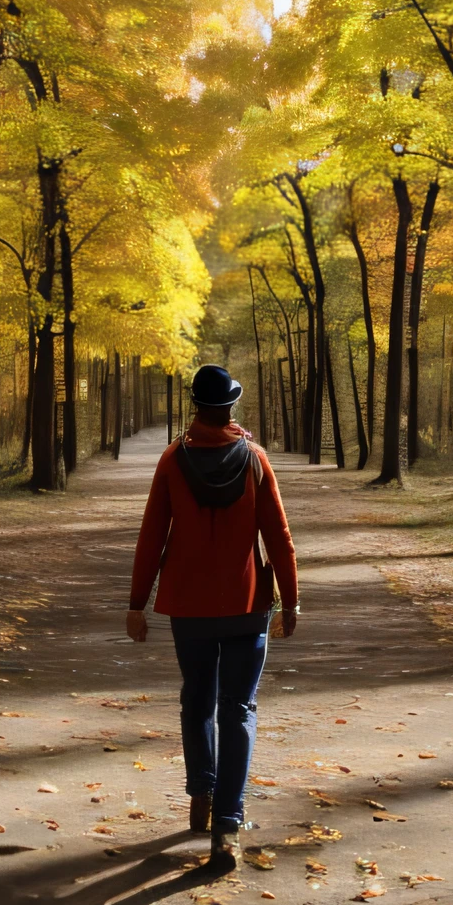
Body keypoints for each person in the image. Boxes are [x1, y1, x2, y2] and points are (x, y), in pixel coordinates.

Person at [125, 364, 298, 872]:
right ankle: (227, 826)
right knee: (238, 708)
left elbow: (151, 537)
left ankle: (201, 793)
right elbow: (279, 538)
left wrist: (137, 604)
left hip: (190, 608)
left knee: (197, 698)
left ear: (195, 405)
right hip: (247, 607)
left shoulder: (172, 461)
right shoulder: (255, 460)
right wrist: (290, 600)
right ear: (231, 407)